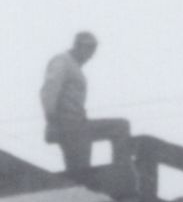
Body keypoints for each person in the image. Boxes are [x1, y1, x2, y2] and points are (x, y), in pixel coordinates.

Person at [40, 31, 128, 174]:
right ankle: (122, 172)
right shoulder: (62, 61)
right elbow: (50, 89)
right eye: (89, 50)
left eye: (92, 51)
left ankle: (121, 171)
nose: (90, 55)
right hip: (69, 125)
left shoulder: (74, 66)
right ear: (78, 46)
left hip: (78, 124)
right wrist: (53, 119)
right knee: (120, 126)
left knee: (80, 170)